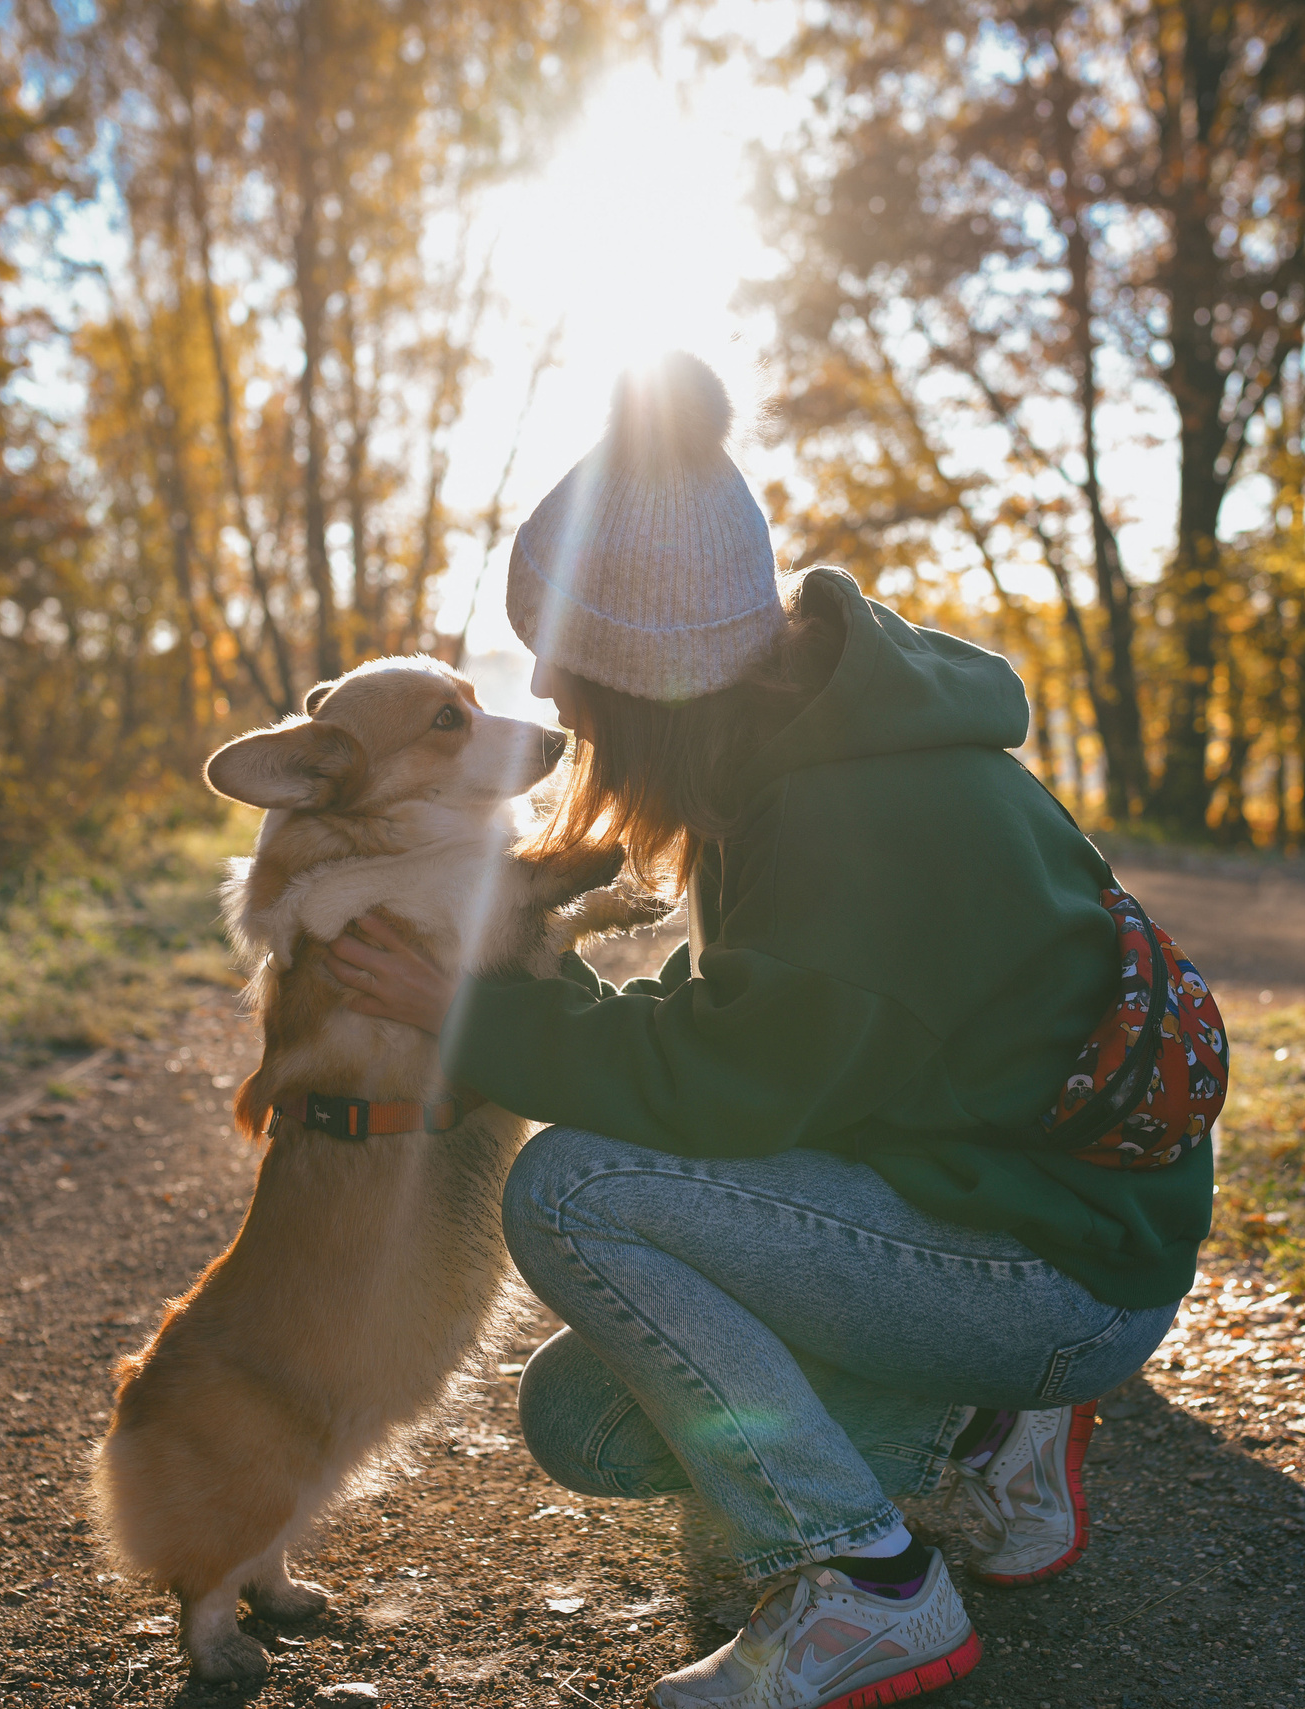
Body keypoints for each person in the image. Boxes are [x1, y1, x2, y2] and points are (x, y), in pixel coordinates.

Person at [326, 352, 1209, 1709]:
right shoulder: (807, 743)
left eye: (574, 682)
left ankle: (862, 1585)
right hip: (990, 1212)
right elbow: (741, 1046)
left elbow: (711, 1092)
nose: (559, 712)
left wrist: (471, 1020)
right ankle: (986, 1434)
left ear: (654, 682)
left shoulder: (856, 817)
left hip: (1060, 1266)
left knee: (574, 1191)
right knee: (582, 1417)